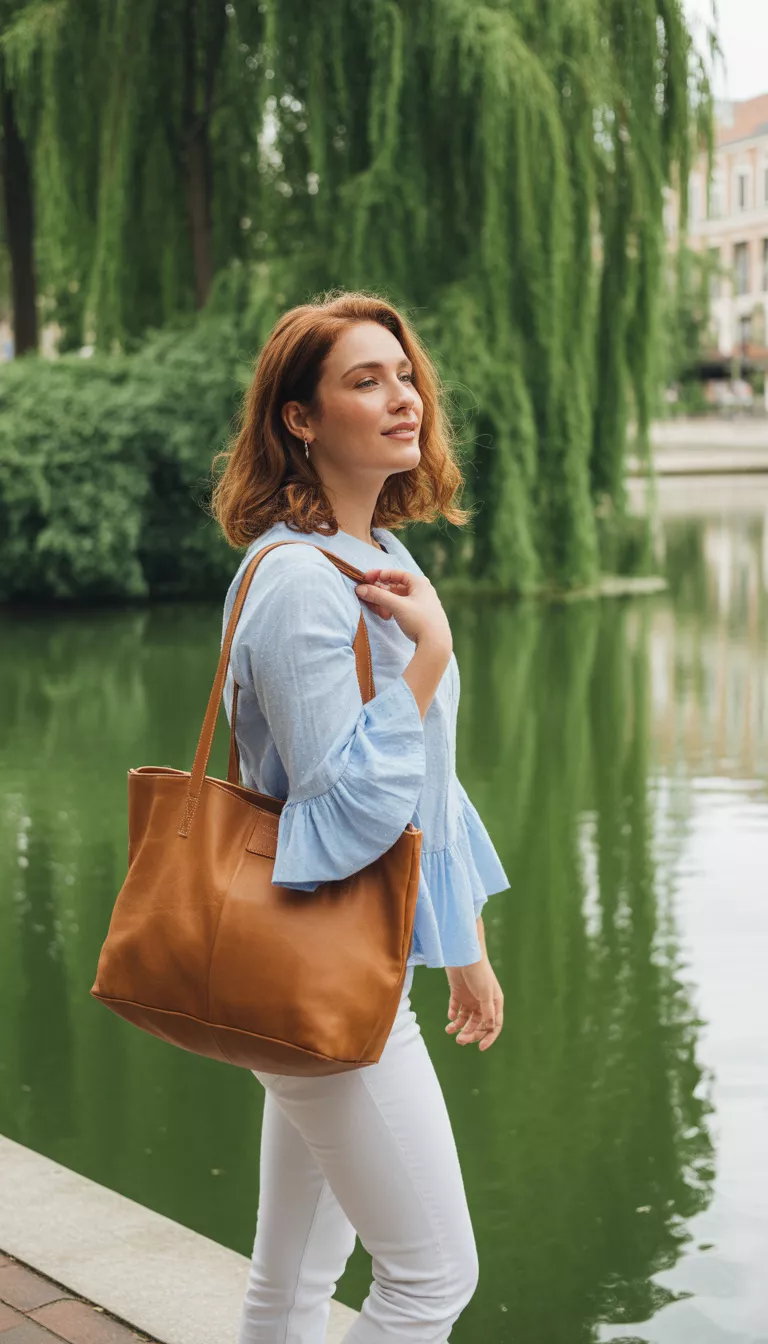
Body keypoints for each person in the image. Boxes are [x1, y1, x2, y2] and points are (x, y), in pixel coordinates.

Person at [211, 290, 510, 1343]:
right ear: (300, 418)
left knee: (292, 1278)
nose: (404, 398)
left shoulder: (376, 554)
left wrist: (461, 939)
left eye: (405, 374)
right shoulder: (301, 581)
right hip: (319, 957)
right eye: (365, 379)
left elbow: (429, 778)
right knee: (432, 1280)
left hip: (346, 958)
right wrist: (427, 660)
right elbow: (344, 812)